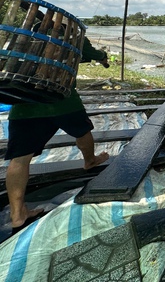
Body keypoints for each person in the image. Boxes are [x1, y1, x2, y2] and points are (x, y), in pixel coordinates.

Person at [5, 38, 110, 234]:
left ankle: (17, 214)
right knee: (83, 132)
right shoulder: (74, 39)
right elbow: (93, 54)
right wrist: (103, 58)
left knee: (19, 159)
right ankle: (90, 160)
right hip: (62, 100)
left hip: (25, 103)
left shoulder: (27, 39)